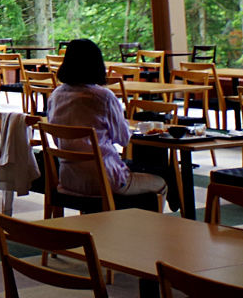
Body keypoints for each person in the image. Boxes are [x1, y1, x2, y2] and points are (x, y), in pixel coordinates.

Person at [45, 38, 171, 207]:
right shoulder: (102, 97)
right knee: (160, 182)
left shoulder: (56, 95)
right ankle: (148, 228)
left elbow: (57, 139)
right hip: (107, 180)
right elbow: (123, 139)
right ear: (97, 64)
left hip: (69, 179)